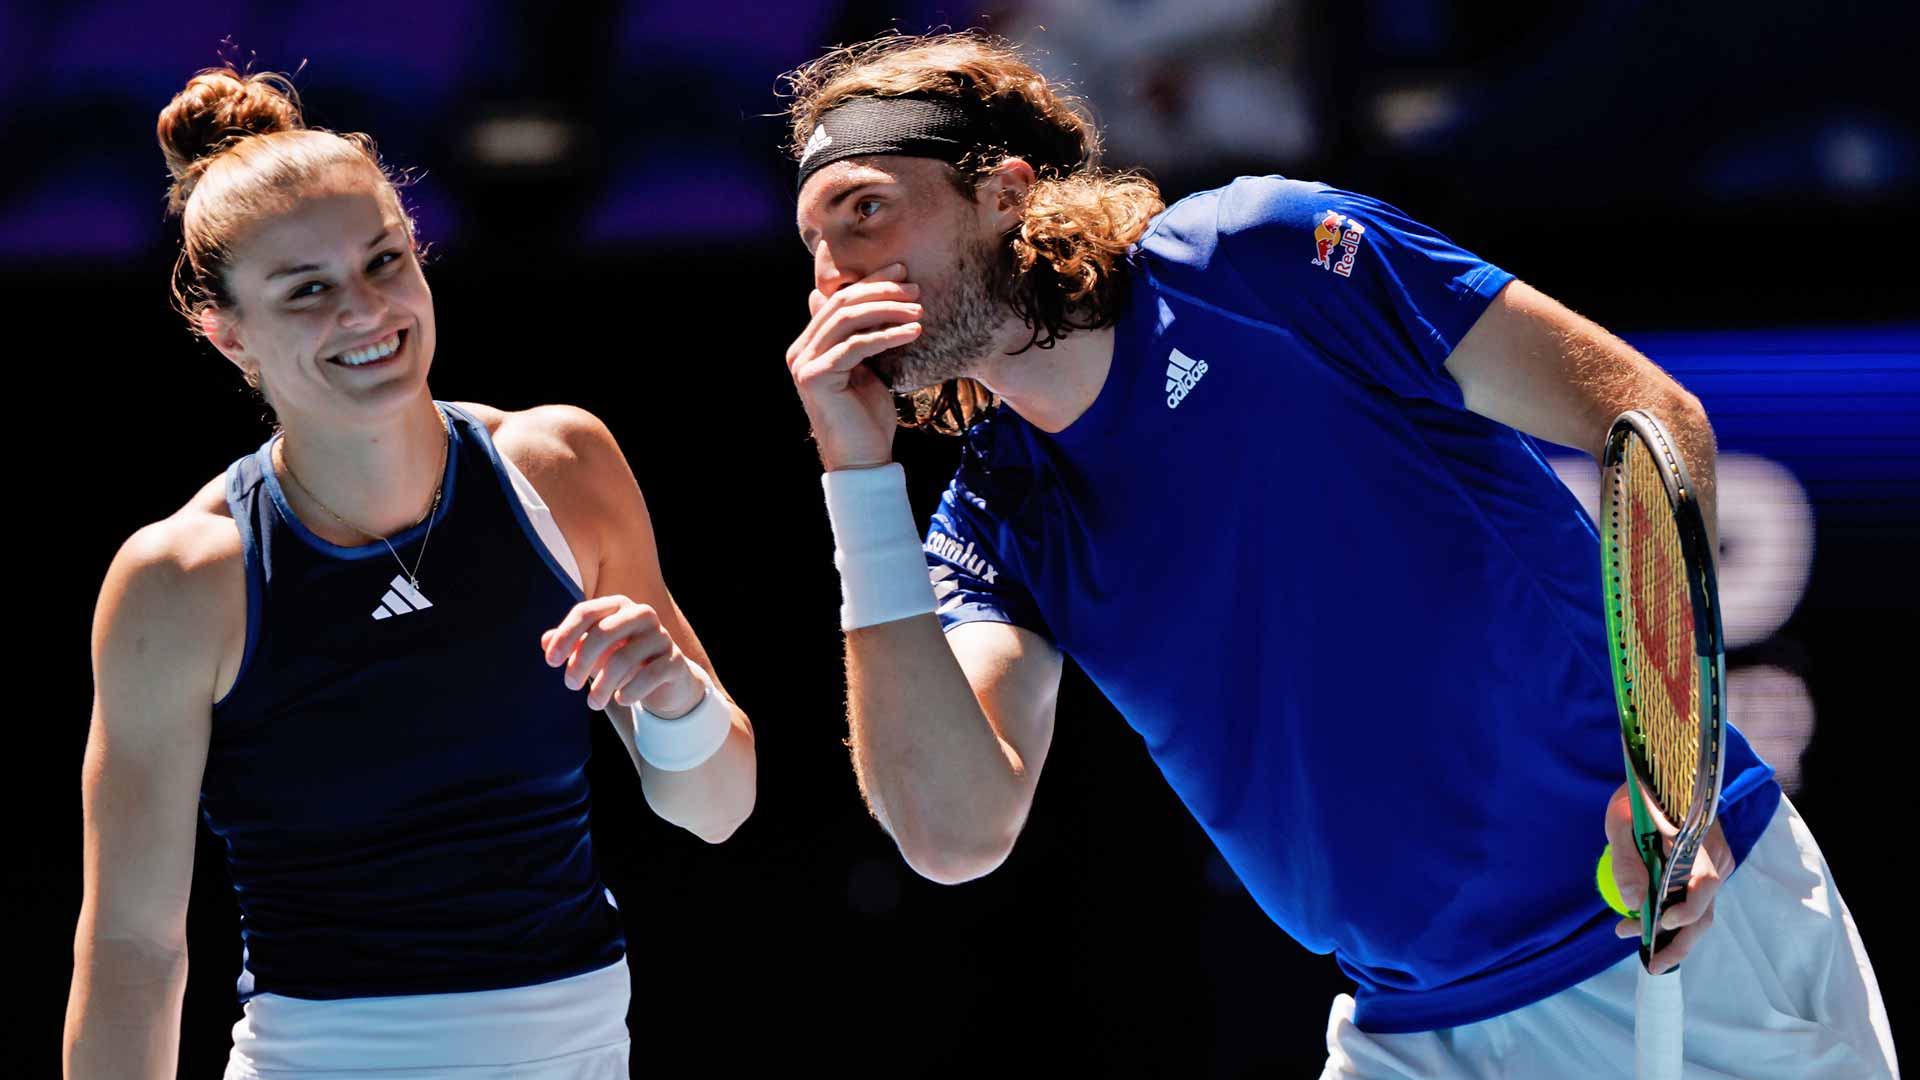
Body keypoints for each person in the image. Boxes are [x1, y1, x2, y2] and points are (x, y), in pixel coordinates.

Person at [779, 32, 1895, 1077]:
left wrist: (1676, 786)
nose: (836, 270)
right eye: (815, 246)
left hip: (1683, 945)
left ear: (1003, 191)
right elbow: (951, 833)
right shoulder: (994, 519)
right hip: (1407, 1023)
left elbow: (1649, 423)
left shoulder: (1262, 258)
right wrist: (858, 480)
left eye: (864, 211)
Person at [63, 66, 756, 1079]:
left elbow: (717, 807)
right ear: (228, 334)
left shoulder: (563, 468)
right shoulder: (180, 578)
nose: (366, 309)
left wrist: (676, 697)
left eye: (384, 259)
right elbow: (132, 947)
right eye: (307, 290)